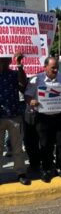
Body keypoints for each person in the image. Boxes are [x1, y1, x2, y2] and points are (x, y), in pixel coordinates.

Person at [25, 57, 61, 182]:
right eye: (52, 68)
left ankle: (59, 167)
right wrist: (31, 101)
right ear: (45, 67)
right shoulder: (36, 79)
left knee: (60, 144)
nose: (55, 70)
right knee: (45, 145)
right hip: (43, 117)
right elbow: (27, 95)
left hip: (60, 116)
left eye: (57, 67)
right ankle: (46, 169)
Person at [0, 54, 30, 185]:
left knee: (17, 147)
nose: (3, 62)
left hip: (14, 116)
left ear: (9, 61)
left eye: (6, 60)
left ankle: (20, 173)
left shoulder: (13, 74)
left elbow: (23, 85)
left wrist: (19, 66)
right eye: (1, 59)